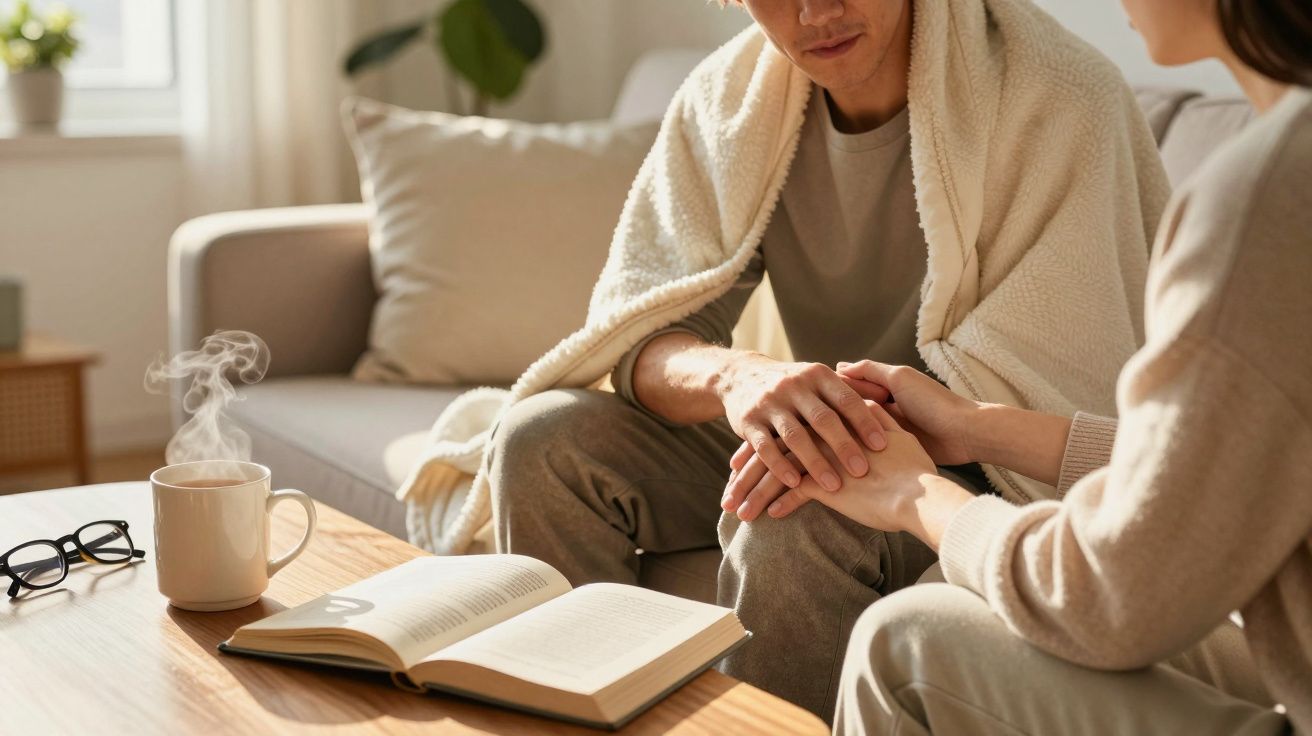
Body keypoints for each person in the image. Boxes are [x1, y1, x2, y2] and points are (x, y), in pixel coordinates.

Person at [487, 0, 1168, 718]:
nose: (816, 12)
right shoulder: (729, 103)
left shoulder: (1059, 97)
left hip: (980, 463)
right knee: (541, 440)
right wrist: (738, 377)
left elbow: (1066, 375)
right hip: (821, 420)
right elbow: (639, 335)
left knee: (800, 514)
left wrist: (838, 436)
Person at [733, 1, 1312, 731]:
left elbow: (1110, 597)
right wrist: (977, 428)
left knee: (905, 643)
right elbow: (1229, 465)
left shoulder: (1261, 202)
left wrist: (913, 494)